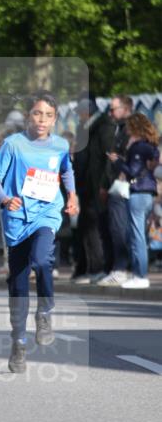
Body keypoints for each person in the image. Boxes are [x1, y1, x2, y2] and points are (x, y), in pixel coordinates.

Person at [0, 92, 78, 374]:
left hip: (47, 213)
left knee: (42, 259)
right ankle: (19, 341)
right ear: (29, 115)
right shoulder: (13, 144)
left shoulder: (61, 145)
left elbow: (66, 171)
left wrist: (72, 194)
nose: (42, 120)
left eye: (48, 115)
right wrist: (5, 199)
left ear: (55, 119)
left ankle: (45, 312)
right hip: (17, 218)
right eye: (37, 113)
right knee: (18, 285)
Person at [108, 113, 160, 290]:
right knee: (141, 235)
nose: (127, 130)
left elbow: (132, 171)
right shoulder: (150, 145)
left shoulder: (138, 147)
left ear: (135, 127)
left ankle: (140, 275)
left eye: (129, 127)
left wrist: (117, 162)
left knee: (136, 235)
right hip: (148, 192)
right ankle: (139, 274)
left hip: (138, 192)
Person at [72, 94, 115, 284]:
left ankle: (97, 267)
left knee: (96, 227)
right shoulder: (84, 127)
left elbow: (107, 157)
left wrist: (105, 183)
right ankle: (86, 268)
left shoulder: (104, 126)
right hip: (85, 185)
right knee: (86, 228)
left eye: (81, 112)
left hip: (97, 185)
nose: (79, 116)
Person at [97, 95, 134, 286]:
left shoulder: (131, 130)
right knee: (112, 228)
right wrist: (105, 184)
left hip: (123, 186)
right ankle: (113, 267)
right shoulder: (118, 129)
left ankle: (122, 268)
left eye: (114, 109)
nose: (110, 113)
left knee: (121, 229)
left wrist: (117, 176)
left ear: (126, 109)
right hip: (113, 185)